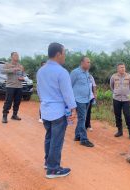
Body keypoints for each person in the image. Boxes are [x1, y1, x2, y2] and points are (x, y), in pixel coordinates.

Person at [37, 42, 77, 179]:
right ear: (58, 54)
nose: (65, 56)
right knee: (56, 140)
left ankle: (48, 162)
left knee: (49, 137)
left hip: (45, 110)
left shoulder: (41, 70)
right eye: (64, 53)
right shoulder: (61, 71)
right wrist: (73, 109)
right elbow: (67, 93)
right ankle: (53, 169)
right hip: (58, 112)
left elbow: (39, 90)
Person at [70, 56, 94, 147]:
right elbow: (69, 85)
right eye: (88, 62)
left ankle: (77, 136)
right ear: (82, 63)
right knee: (82, 119)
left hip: (87, 99)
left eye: (90, 62)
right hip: (79, 99)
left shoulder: (87, 72)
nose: (89, 64)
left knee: (81, 119)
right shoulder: (75, 72)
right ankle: (83, 139)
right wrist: (71, 100)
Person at [110, 63, 130, 140]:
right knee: (117, 115)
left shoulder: (129, 76)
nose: (122, 69)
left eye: (123, 67)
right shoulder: (113, 76)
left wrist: (126, 92)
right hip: (116, 99)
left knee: (127, 115)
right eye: (121, 67)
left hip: (126, 99)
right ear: (117, 69)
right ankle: (119, 131)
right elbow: (111, 86)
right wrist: (116, 92)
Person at [2, 52, 24, 123]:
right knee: (8, 101)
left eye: (18, 55)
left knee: (17, 101)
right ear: (11, 57)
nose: (17, 56)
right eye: (15, 55)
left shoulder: (20, 66)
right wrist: (13, 69)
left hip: (19, 86)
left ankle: (14, 115)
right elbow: (3, 71)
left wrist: (22, 78)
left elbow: (22, 75)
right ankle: (4, 116)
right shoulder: (7, 64)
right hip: (10, 86)